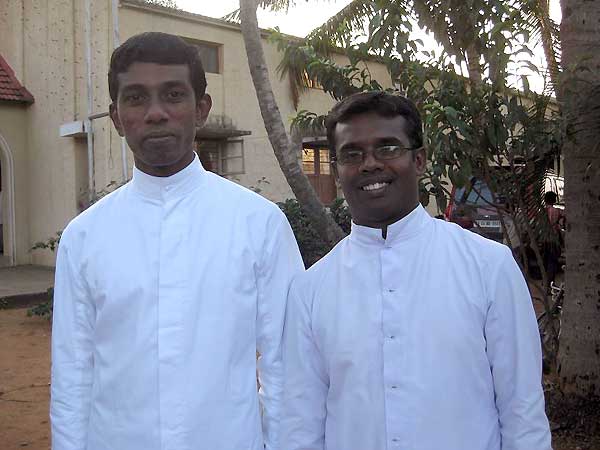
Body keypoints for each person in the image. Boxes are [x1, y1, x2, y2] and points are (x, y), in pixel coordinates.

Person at [50, 32, 304, 450]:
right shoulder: (84, 237)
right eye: (136, 98)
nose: (156, 113)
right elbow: (72, 375)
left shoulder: (258, 224)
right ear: (116, 118)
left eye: (173, 95)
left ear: (201, 109)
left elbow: (286, 367)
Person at [281, 91, 552, 450]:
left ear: (419, 160)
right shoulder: (311, 290)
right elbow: (300, 425)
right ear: (337, 169)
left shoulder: (488, 266)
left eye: (387, 148)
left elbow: (523, 412)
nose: (370, 164)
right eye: (352, 154)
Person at [543, 191, 564, 286]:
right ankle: (550, 283)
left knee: (547, 261)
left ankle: (546, 282)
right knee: (553, 262)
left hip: (544, 239)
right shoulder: (556, 211)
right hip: (553, 239)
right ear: (554, 200)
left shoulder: (542, 211)